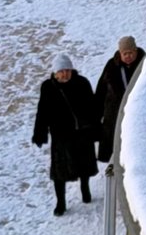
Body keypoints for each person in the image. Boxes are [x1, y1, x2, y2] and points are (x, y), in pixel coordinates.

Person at [32, 56, 98, 216]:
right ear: (55, 73)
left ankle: (85, 188)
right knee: (59, 172)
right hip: (61, 135)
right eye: (61, 71)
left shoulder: (82, 83)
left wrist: (96, 129)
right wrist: (39, 133)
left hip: (81, 132)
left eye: (67, 70)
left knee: (84, 165)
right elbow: (43, 111)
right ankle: (60, 202)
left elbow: (93, 107)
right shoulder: (48, 87)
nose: (65, 74)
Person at [95, 38, 146, 163]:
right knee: (114, 140)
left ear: (135, 51)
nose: (128, 56)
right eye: (125, 53)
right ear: (120, 53)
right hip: (114, 111)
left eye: (130, 53)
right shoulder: (112, 66)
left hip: (138, 110)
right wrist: (96, 115)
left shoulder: (144, 64)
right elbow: (101, 90)